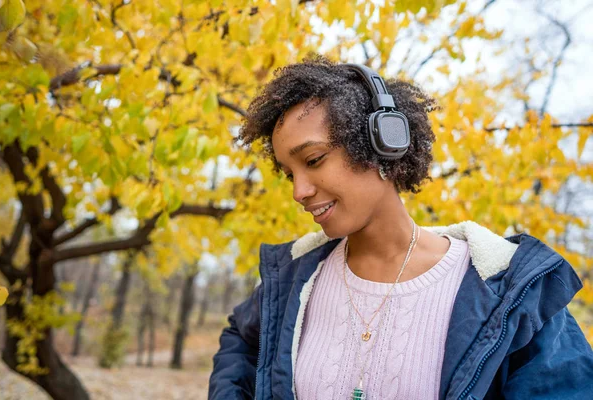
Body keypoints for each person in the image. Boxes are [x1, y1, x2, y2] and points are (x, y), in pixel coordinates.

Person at [208, 55, 593, 400]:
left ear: (383, 144)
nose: (299, 191)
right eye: (289, 173)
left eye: (314, 159)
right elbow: (239, 340)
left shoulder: (511, 292)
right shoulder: (293, 276)